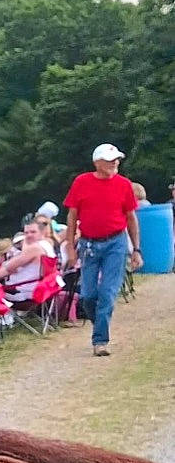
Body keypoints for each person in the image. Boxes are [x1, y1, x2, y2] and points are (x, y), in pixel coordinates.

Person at [63, 142, 142, 355]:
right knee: (88, 294)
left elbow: (131, 217)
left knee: (107, 292)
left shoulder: (124, 184)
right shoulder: (81, 182)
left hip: (116, 242)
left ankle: (100, 341)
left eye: (116, 159)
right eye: (110, 160)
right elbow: (72, 217)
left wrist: (136, 249)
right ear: (97, 163)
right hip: (89, 243)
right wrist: (70, 247)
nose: (115, 163)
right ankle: (100, 322)